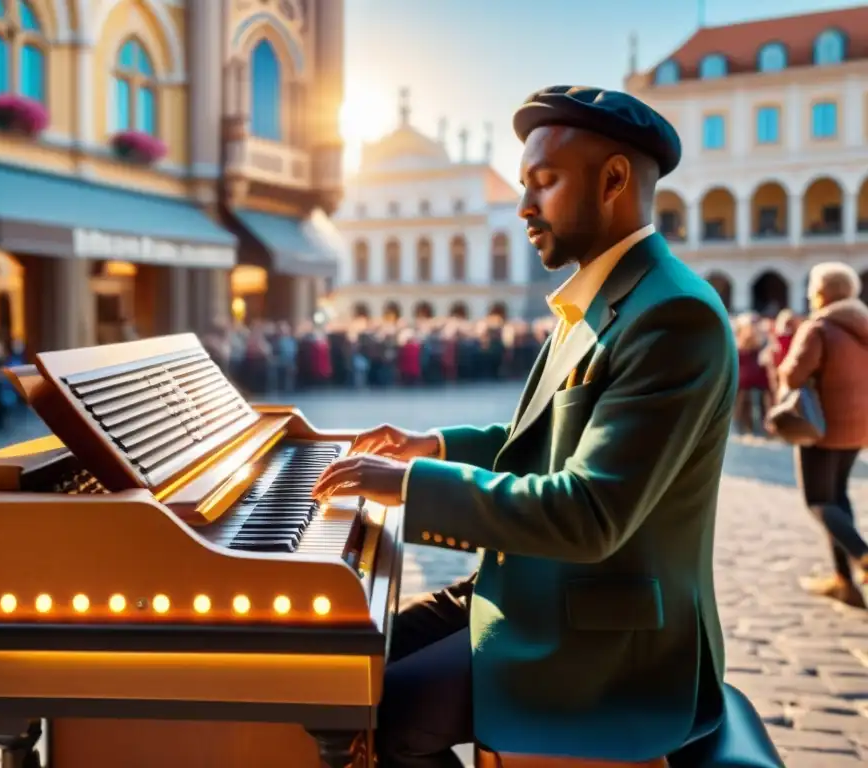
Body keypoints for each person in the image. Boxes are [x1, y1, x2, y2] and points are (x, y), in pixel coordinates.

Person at [313, 86, 742, 767]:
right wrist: (437, 446)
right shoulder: (605, 296)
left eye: (543, 182)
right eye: (522, 185)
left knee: (387, 713)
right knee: (331, 663)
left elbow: (590, 512)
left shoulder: (672, 315)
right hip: (538, 588)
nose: (522, 207)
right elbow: (545, 438)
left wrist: (412, 484)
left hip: (605, 633)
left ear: (612, 181)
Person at [777, 263, 868, 607]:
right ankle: (844, 581)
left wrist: (784, 367)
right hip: (858, 426)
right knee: (838, 497)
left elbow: (793, 376)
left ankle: (862, 555)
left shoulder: (820, 327)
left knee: (818, 500)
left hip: (822, 427)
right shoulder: (864, 324)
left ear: (822, 293)